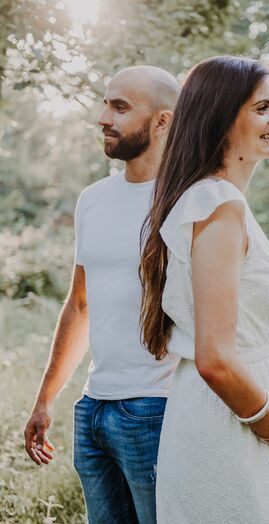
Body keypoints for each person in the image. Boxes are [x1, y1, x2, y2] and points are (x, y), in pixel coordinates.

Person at [139, 56, 269, 523]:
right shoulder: (217, 205)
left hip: (248, 434)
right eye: (263, 107)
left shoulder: (222, 202)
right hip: (236, 439)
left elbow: (246, 332)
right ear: (224, 117)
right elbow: (216, 360)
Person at [24, 65, 180, 524]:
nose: (102, 117)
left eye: (119, 107)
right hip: (93, 410)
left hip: (157, 410)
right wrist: (46, 398)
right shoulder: (92, 199)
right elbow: (80, 304)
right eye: (104, 103)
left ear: (163, 121)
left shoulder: (189, 201)